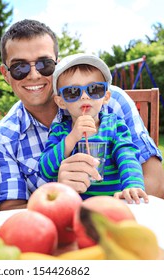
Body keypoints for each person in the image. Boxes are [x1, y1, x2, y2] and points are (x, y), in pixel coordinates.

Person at [0, 19, 164, 211]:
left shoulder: (113, 103)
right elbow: (11, 211)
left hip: (119, 220)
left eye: (44, 64)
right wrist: (59, 191)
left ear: (57, 66)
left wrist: (116, 201)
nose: (34, 75)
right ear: (6, 74)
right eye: (19, 67)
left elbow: (158, 186)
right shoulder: (3, 139)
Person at [39, 53, 148, 204]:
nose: (84, 96)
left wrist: (132, 185)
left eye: (94, 89)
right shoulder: (59, 131)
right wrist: (72, 137)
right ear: (61, 102)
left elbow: (127, 155)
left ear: (106, 96)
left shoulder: (115, 125)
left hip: (112, 204)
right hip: (77, 207)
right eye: (72, 92)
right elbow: (45, 170)